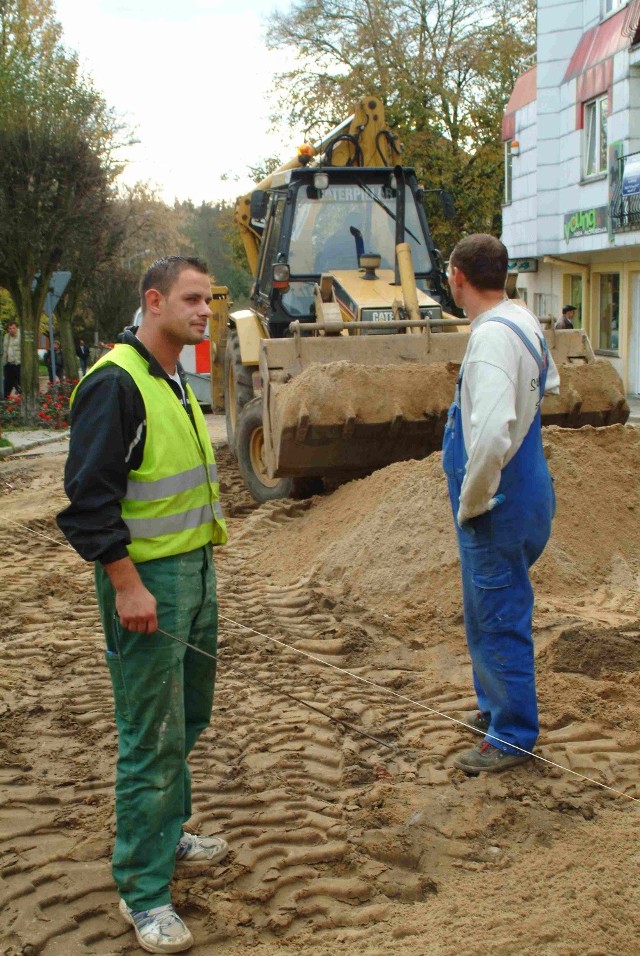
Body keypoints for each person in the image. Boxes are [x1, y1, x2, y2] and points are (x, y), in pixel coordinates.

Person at [57, 256, 229, 954]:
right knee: (149, 735)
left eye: (209, 300)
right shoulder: (117, 383)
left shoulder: (171, 374)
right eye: (191, 300)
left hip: (193, 569)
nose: (204, 311)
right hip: (150, 581)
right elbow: (88, 503)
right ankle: (143, 888)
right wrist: (127, 584)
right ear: (152, 302)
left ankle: (167, 828)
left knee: (187, 716)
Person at [442, 234, 559, 775]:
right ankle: (495, 708)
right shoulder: (523, 321)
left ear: (458, 277)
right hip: (530, 484)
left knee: (498, 615)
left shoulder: (490, 339)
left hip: (500, 500)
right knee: (488, 610)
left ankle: (511, 734)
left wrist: (474, 500)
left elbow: (489, 437)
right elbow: (548, 383)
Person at [3, 320, 21, 398]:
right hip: (9, 363)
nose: (11, 330)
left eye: (13, 328)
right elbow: (5, 349)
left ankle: (22, 400)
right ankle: (5, 400)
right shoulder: (6, 336)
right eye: (9, 328)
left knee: (21, 383)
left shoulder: (21, 335)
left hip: (19, 363)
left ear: (16, 328)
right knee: (7, 383)